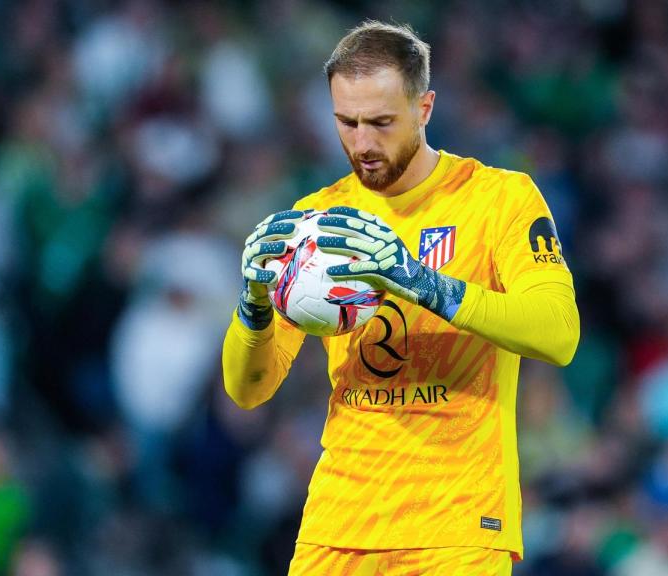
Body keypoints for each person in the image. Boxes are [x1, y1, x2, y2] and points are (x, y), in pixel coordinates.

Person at [222, 21, 580, 575]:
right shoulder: (317, 222)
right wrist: (253, 304)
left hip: (456, 527)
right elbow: (247, 390)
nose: (362, 142)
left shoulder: (500, 199)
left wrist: (425, 284)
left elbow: (558, 333)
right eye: (347, 122)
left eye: (382, 122)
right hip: (338, 526)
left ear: (425, 107)